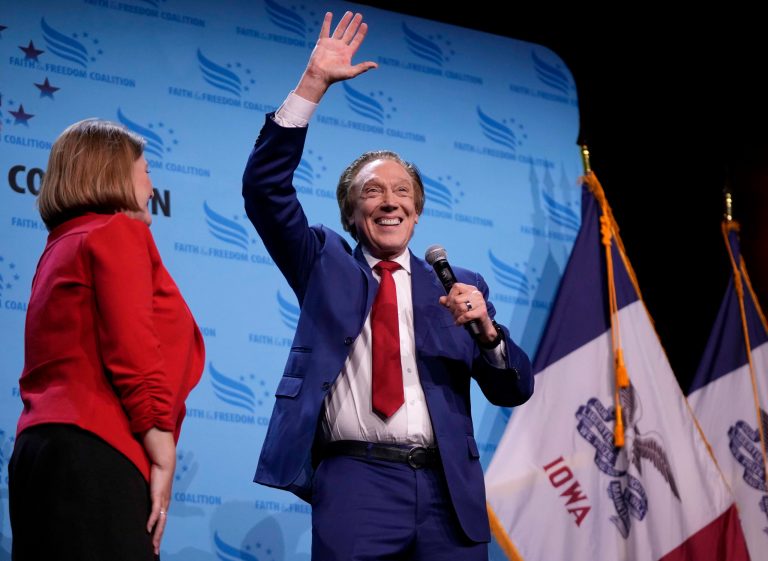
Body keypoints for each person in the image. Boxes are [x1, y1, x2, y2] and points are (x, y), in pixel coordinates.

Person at [243, 11, 533, 561]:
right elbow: (264, 191)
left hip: (448, 491)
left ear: (417, 214)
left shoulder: (460, 286)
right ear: (352, 214)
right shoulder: (322, 262)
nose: (390, 201)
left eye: (402, 192)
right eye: (372, 192)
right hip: (357, 481)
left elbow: (513, 389)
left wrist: (488, 334)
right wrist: (312, 85)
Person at [9, 119, 205, 561]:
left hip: (39, 454)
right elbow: (133, 347)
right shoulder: (115, 232)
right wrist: (162, 450)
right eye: (147, 171)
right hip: (96, 452)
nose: (151, 188)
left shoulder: (61, 244)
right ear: (115, 172)